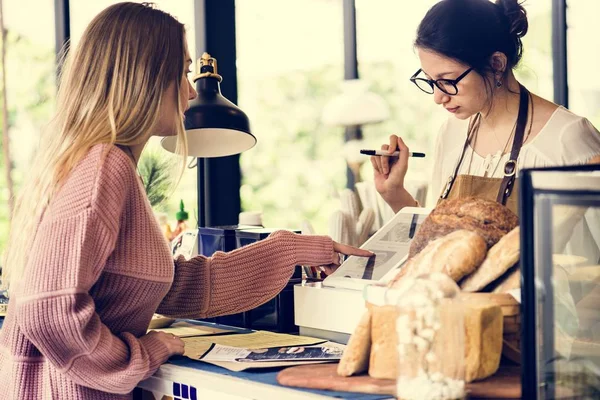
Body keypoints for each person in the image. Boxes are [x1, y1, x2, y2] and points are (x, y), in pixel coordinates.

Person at [0, 3, 372, 399]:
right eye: (181, 73)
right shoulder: (103, 167)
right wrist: (139, 354)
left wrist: (289, 249)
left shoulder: (101, 162)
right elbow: (49, 309)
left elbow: (169, 287)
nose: (192, 91)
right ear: (144, 78)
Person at [371, 0, 600, 356]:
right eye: (429, 82)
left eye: (448, 82)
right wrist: (394, 193)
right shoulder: (451, 133)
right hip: (461, 339)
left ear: (496, 63)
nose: (437, 97)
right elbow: (438, 246)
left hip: (547, 346)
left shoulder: (567, 137)